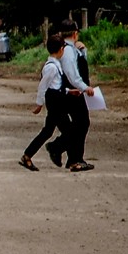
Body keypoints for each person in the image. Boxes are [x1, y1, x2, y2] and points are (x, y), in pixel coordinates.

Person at [44, 20, 94, 172]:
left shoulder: (71, 49)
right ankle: (60, 149)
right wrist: (85, 88)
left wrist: (83, 50)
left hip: (70, 91)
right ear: (75, 33)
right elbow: (72, 74)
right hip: (72, 92)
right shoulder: (69, 51)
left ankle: (73, 157)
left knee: (78, 124)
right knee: (81, 123)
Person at [21, 35, 72, 172]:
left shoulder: (56, 65)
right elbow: (43, 86)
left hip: (57, 100)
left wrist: (68, 91)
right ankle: (54, 149)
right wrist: (39, 104)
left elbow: (56, 85)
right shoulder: (52, 67)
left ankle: (29, 154)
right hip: (55, 103)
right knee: (68, 131)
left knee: (49, 131)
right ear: (61, 49)